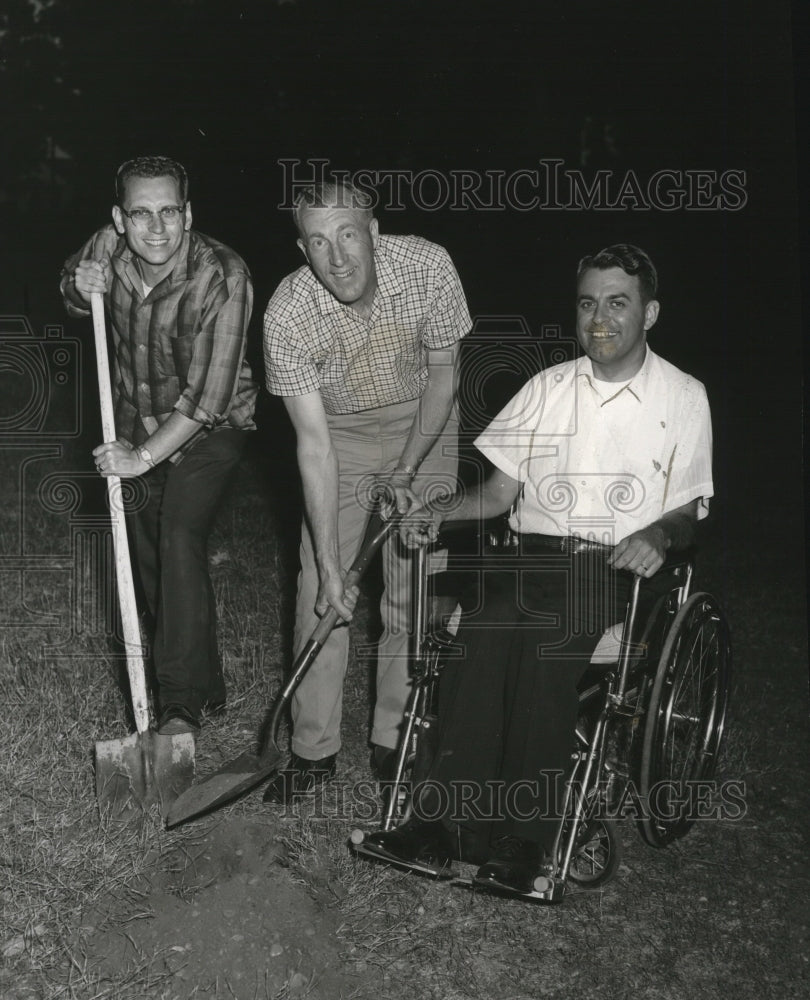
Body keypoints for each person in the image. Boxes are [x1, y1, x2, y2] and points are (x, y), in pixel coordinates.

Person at [362, 244, 714, 892]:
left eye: (618, 303)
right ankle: (439, 829)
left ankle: (523, 841)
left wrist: (660, 534)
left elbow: (689, 508)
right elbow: (496, 495)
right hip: (527, 558)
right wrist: (438, 510)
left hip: (609, 568)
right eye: (588, 303)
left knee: (548, 639)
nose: (599, 318)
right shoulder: (549, 387)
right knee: (484, 629)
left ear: (651, 312)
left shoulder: (684, 397)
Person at [262, 178, 471, 802]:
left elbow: (443, 381)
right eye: (319, 242)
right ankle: (312, 751)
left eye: (349, 234)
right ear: (303, 250)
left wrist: (406, 471)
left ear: (374, 231)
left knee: (412, 584)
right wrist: (329, 561)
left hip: (423, 420)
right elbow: (314, 446)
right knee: (320, 591)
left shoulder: (429, 266)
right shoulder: (287, 314)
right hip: (340, 433)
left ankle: (395, 738)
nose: (338, 256)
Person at [60, 155, 258, 736]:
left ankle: (177, 708)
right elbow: (73, 288)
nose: (156, 228)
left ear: (188, 213)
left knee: (178, 534)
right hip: (134, 420)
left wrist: (142, 458)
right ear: (119, 219)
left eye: (169, 211)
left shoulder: (224, 274)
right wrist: (77, 287)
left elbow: (208, 399)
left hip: (212, 429)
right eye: (141, 214)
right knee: (150, 561)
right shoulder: (105, 246)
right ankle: (208, 686)